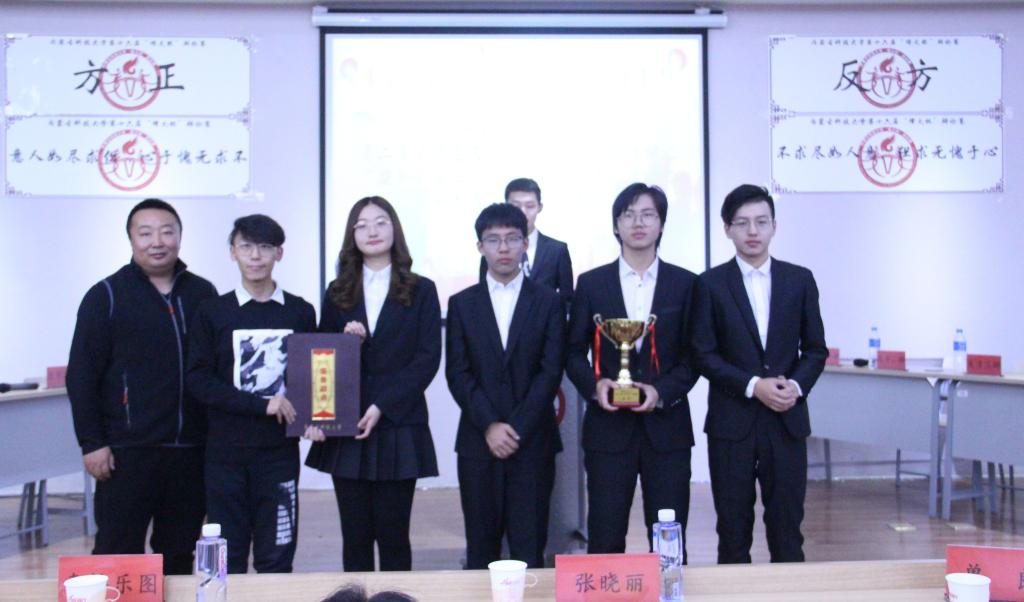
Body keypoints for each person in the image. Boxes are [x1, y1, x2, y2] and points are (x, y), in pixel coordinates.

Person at [66, 198, 217, 575]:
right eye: (146, 233)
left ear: (180, 236)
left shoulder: (202, 295)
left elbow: (216, 370)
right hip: (126, 453)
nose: (157, 241)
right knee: (118, 551)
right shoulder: (106, 295)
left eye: (167, 232)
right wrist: (92, 442)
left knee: (179, 554)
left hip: (190, 451)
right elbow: (81, 375)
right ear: (131, 239)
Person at [691, 184, 827, 563]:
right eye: (742, 223)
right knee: (732, 531)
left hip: (786, 421)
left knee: (787, 529)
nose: (752, 231)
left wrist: (795, 386)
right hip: (731, 424)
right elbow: (703, 354)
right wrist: (753, 386)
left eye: (761, 222)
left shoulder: (799, 280)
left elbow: (815, 349)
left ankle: (788, 590)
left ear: (774, 226)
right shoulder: (709, 284)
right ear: (727, 229)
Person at [305, 196, 441, 572]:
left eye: (381, 222)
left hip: (399, 423)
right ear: (353, 235)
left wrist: (382, 405)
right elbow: (324, 357)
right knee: (355, 538)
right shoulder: (338, 291)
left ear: (394, 228)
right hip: (348, 427)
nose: (372, 231)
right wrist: (348, 343)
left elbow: (427, 359)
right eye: (362, 225)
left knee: (395, 537)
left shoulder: (422, 289)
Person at [565, 183, 698, 556]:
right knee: (605, 536)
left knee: (669, 539)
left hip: (667, 431)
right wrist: (595, 387)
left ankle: (670, 589)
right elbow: (572, 352)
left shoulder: (686, 284)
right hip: (608, 431)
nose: (638, 223)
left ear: (661, 224)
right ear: (616, 225)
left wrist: (662, 391)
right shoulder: (591, 283)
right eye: (628, 215)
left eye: (648, 215)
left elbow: (695, 356)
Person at [186, 214, 316, 573]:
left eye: (265, 247)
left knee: (278, 555)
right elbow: (198, 380)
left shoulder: (300, 312)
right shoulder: (212, 312)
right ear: (233, 253)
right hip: (224, 454)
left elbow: (311, 375)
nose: (255, 256)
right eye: (246, 247)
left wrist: (318, 418)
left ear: (279, 253)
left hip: (279, 454)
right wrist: (260, 405)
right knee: (226, 557)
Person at [447, 203, 565, 569]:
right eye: (493, 240)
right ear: (479, 246)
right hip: (478, 442)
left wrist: (516, 428)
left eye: (512, 238)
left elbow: (550, 371)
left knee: (529, 547)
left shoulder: (548, 302)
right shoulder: (461, 304)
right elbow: (458, 373)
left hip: (533, 441)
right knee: (480, 549)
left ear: (525, 244)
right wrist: (490, 425)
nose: (503, 248)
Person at [478, 178, 573, 311]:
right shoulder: (493, 251)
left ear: (539, 207)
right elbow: (483, 296)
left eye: (530, 206)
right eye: (516, 206)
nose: (523, 212)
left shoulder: (557, 250)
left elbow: (567, 300)